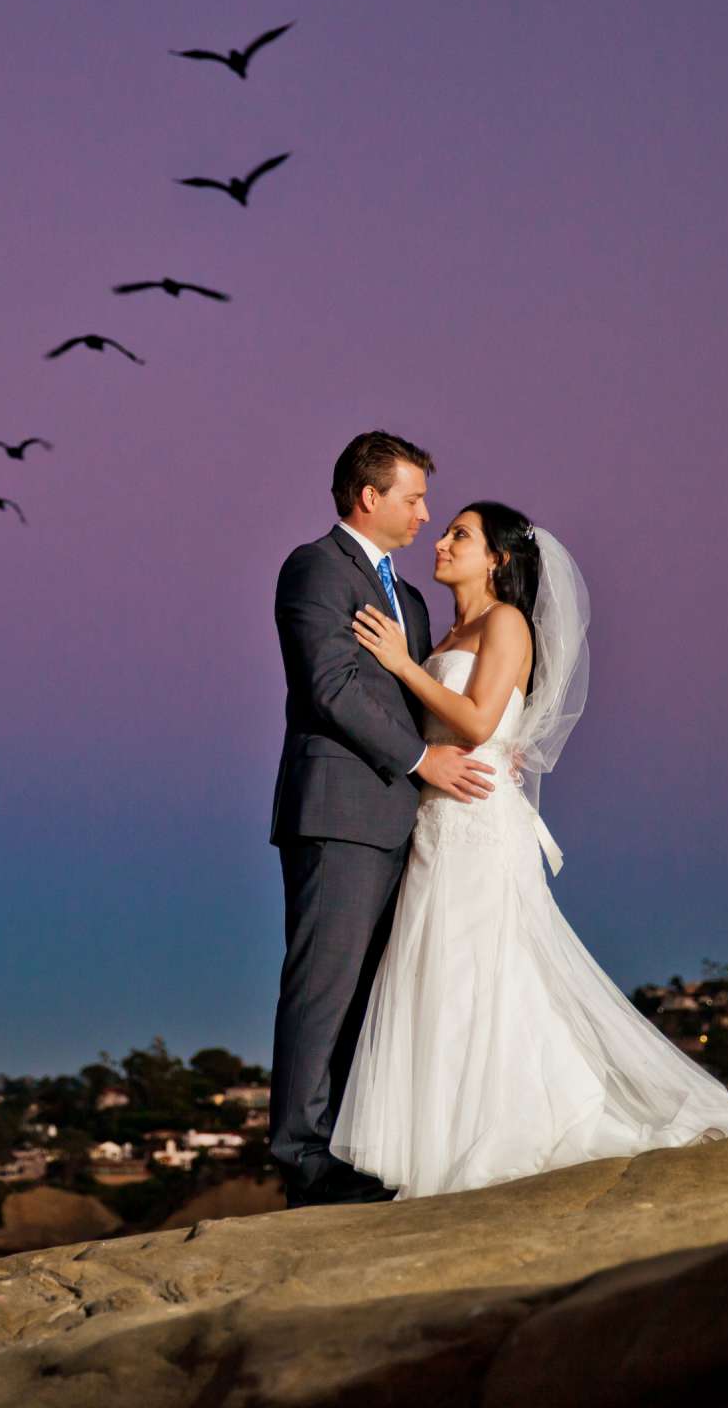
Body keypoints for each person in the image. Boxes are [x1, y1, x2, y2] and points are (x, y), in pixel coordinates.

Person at [330, 499, 728, 1198]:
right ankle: (443, 1142)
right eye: (444, 532)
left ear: (498, 559)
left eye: (460, 535)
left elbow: (473, 725)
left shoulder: (505, 622)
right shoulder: (450, 628)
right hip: (437, 825)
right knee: (442, 977)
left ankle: (499, 1134)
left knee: (483, 974)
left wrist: (402, 665)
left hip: (478, 827)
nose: (440, 540)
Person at [268, 431, 501, 1207]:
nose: (424, 513)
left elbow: (427, 701)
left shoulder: (410, 599)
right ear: (370, 497)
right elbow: (331, 688)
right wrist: (419, 763)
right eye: (413, 497)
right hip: (338, 810)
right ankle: (301, 1156)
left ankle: (344, 1149)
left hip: (406, 822)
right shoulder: (314, 570)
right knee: (324, 983)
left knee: (371, 991)